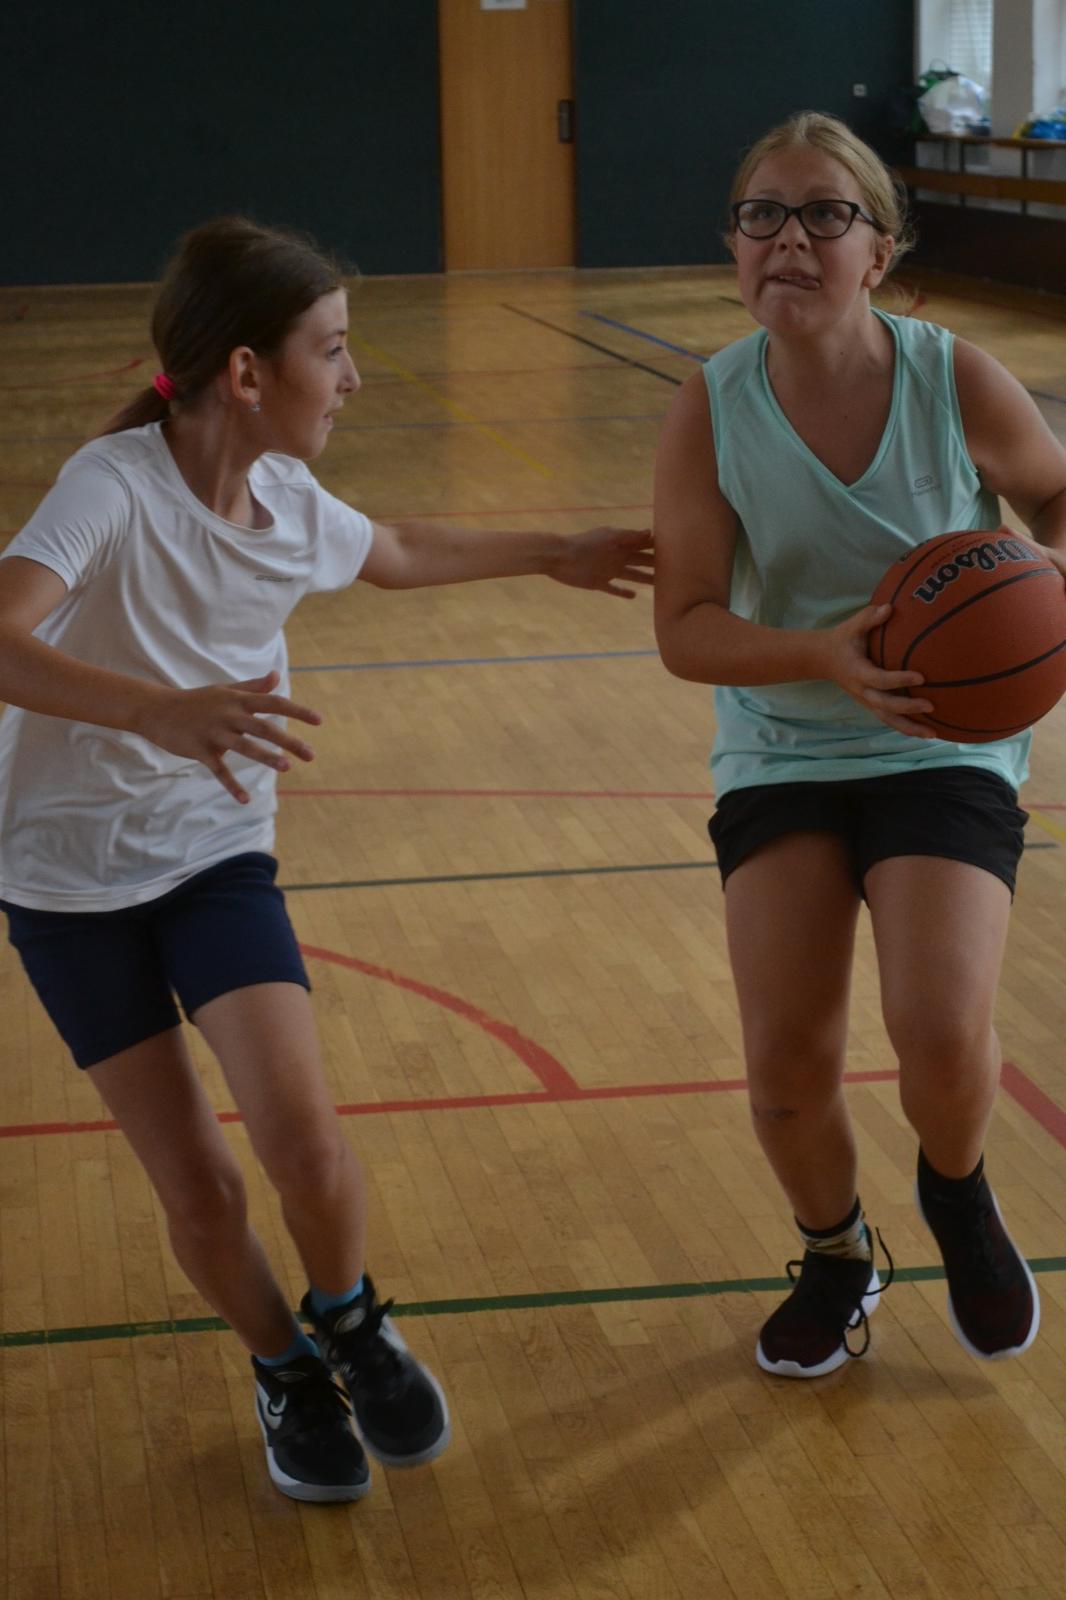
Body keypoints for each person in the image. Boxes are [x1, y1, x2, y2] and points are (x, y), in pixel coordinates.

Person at [0, 216, 653, 1500]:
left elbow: (393, 550)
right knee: (199, 1183)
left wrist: (553, 551)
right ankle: (284, 1368)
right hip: (64, 882)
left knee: (300, 1136)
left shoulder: (290, 504)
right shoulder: (112, 487)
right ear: (247, 372)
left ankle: (348, 1316)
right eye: (333, 349)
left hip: (213, 853)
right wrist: (155, 709)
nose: (353, 377)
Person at [653, 112, 1066, 1378]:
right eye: (761, 214)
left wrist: (1050, 574)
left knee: (937, 1029)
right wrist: (822, 655)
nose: (789, 237)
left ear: (878, 253)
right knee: (785, 1067)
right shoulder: (710, 407)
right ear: (734, 244)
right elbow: (686, 628)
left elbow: (1052, 491)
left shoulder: (952, 379)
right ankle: (836, 1253)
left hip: (941, 740)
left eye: (824, 214)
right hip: (784, 743)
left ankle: (957, 1187)